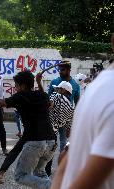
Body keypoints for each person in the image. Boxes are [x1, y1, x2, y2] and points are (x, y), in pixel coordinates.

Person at [0, 71, 57, 189]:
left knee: (21, 176)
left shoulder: (21, 96)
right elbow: (47, 100)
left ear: (22, 86)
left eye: (16, 85)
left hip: (36, 142)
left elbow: (1, 102)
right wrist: (39, 82)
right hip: (51, 142)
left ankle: (53, 186)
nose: (15, 88)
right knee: (39, 172)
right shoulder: (42, 96)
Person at [51, 33, 114, 189]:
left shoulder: (93, 86)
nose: (62, 70)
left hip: (69, 119)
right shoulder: (104, 90)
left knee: (65, 145)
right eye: (61, 68)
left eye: (64, 68)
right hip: (64, 119)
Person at [48, 61, 80, 152]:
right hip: (52, 116)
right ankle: (48, 163)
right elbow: (48, 98)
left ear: (69, 70)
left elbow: (77, 104)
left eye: (62, 70)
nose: (60, 72)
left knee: (63, 141)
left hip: (65, 117)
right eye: (60, 70)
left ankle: (61, 162)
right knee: (51, 141)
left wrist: (72, 122)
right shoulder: (54, 82)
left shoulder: (75, 85)